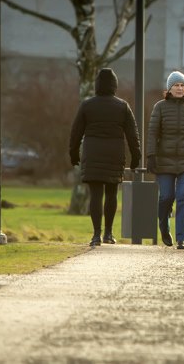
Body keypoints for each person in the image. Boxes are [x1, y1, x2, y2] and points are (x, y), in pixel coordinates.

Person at [69, 67, 141, 247]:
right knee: (111, 194)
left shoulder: (87, 105)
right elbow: (133, 135)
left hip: (92, 153)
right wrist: (136, 157)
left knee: (95, 195)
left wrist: (73, 153)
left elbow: (75, 132)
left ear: (97, 85)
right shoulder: (123, 106)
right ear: (115, 85)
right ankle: (109, 233)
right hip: (114, 154)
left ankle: (96, 235)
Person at [147, 70, 184, 250]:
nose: (179, 88)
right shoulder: (160, 107)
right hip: (165, 160)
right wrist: (151, 156)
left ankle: (181, 238)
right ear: (169, 88)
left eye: (182, 85)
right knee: (166, 197)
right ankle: (164, 227)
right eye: (176, 85)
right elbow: (152, 133)